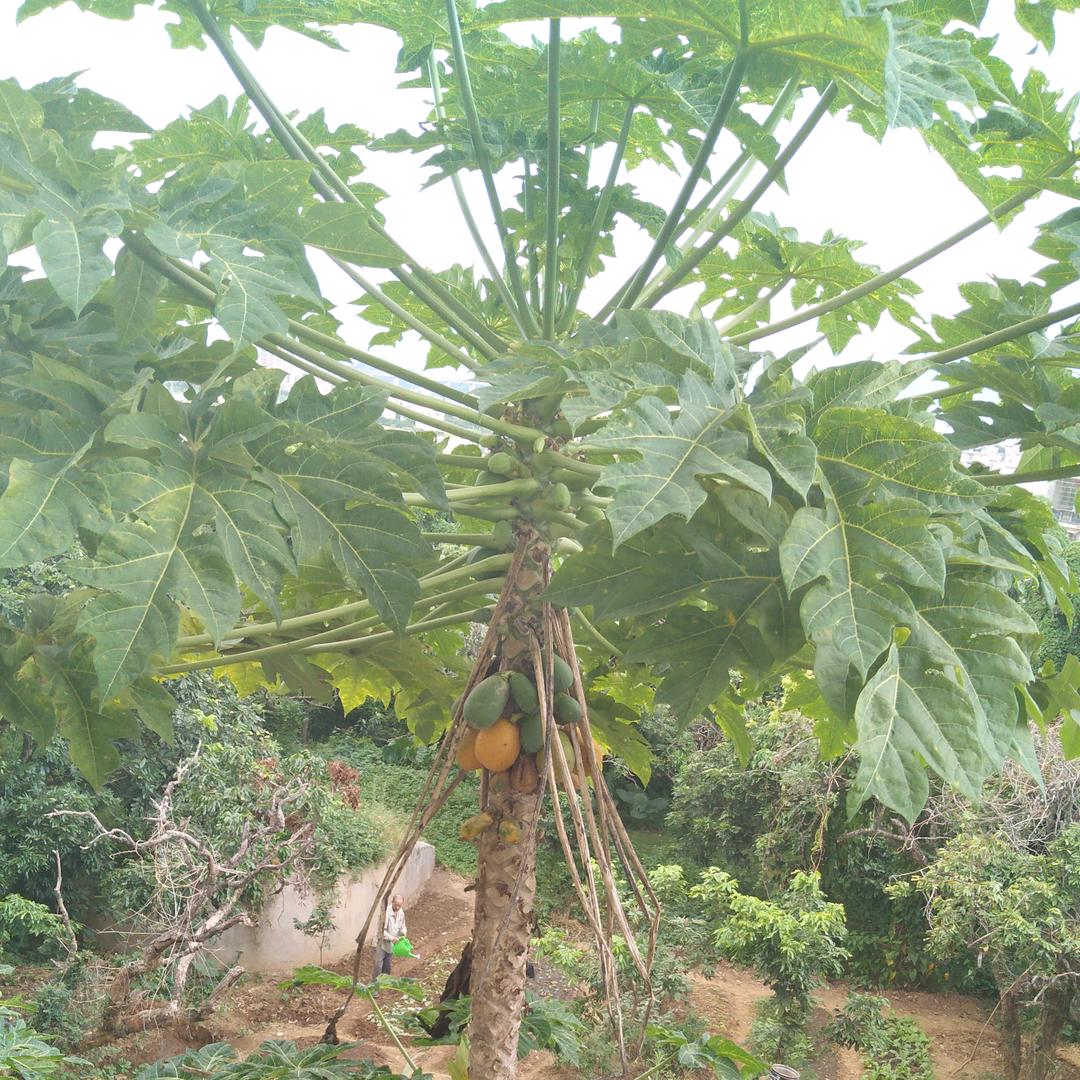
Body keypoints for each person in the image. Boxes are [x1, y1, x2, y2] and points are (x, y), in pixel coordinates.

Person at [373, 893, 407, 979]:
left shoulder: (400, 912)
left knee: (387, 967)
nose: (398, 908)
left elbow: (403, 924)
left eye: (400, 905)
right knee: (378, 967)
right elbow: (381, 931)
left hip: (390, 945)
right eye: (396, 905)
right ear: (392, 902)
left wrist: (403, 931)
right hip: (380, 944)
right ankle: (374, 987)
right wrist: (392, 938)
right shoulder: (385, 913)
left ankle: (384, 984)